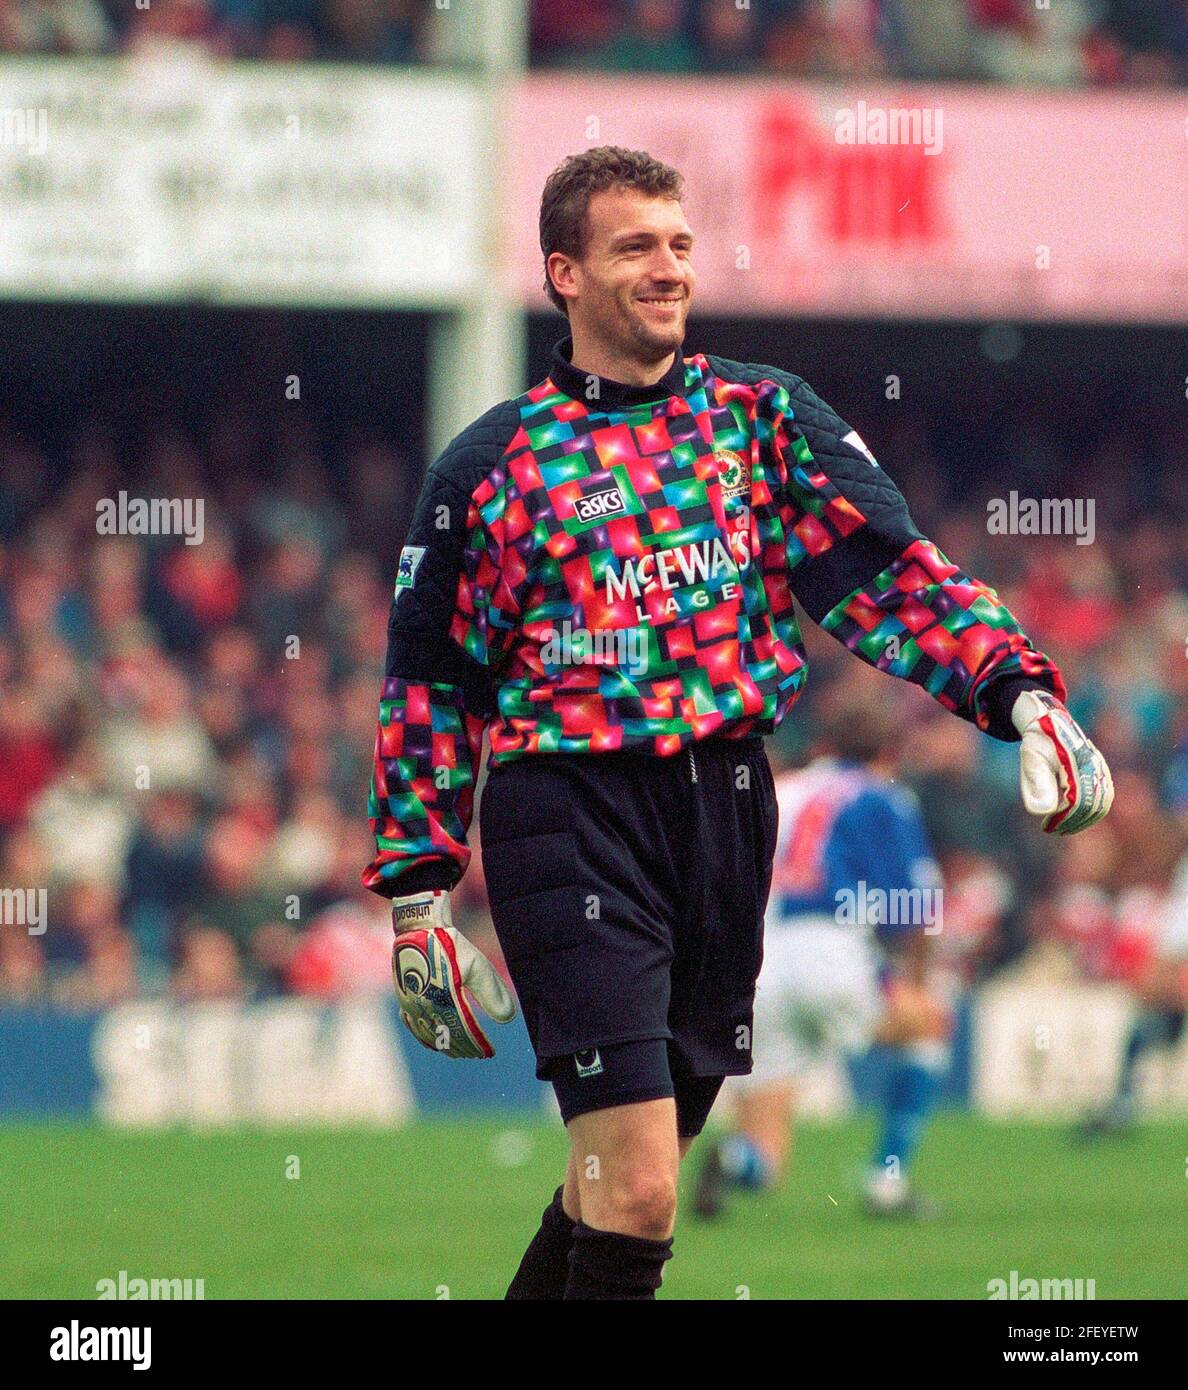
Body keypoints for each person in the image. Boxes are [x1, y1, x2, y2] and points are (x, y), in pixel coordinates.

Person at [361, 146, 1113, 1300]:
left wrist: (1021, 694)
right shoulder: (491, 469)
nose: (667, 270)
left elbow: (884, 578)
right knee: (642, 1188)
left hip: (725, 810)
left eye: (678, 245)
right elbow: (429, 685)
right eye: (633, 248)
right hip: (566, 813)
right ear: (563, 273)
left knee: (613, 1181)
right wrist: (419, 894)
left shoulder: (759, 418)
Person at [692, 695, 952, 1220]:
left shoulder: (781, 790)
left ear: (823, 745)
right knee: (929, 1027)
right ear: (889, 751)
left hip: (759, 964)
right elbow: (918, 909)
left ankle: (732, 1157)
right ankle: (886, 1180)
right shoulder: (883, 797)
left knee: (767, 1157)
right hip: (831, 948)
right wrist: (917, 984)